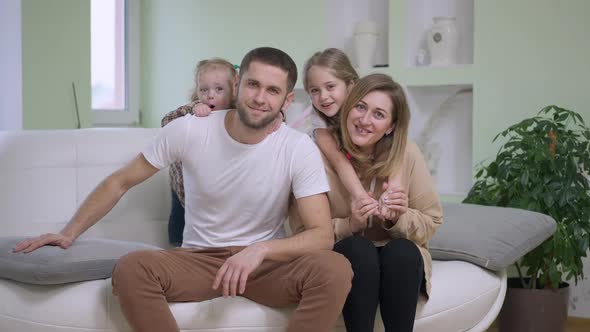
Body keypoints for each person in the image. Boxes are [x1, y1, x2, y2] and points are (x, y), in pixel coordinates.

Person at [14, 47, 353, 332]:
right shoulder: (191, 130)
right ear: (237, 83)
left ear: (287, 99)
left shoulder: (297, 148)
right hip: (199, 260)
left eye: (272, 90)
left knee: (335, 269)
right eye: (252, 84)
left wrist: (260, 250)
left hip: (264, 266)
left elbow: (321, 235)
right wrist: (68, 233)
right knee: (131, 269)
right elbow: (121, 181)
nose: (259, 98)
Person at [293, 73, 443, 332]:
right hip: (345, 254)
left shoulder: (407, 152)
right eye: (360, 107)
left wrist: (397, 218)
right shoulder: (313, 154)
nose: (364, 120)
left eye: (378, 114)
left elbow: (431, 221)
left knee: (403, 252)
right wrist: (350, 225)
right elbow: (301, 232)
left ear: (391, 126)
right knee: (359, 249)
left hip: (399, 260)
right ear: (348, 107)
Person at [298, 48, 400, 218]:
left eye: (330, 86)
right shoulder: (317, 121)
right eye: (314, 90)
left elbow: (397, 146)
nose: (323, 97)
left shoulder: (365, 106)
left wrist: (394, 188)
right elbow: (339, 161)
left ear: (351, 85)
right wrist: (361, 197)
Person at [161, 58, 237, 246]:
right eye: (204, 90)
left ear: (234, 90)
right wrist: (193, 108)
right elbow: (166, 122)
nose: (210, 95)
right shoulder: (191, 112)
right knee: (179, 216)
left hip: (214, 185)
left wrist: (280, 115)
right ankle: (176, 246)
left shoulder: (237, 113)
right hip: (182, 183)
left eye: (219, 89)